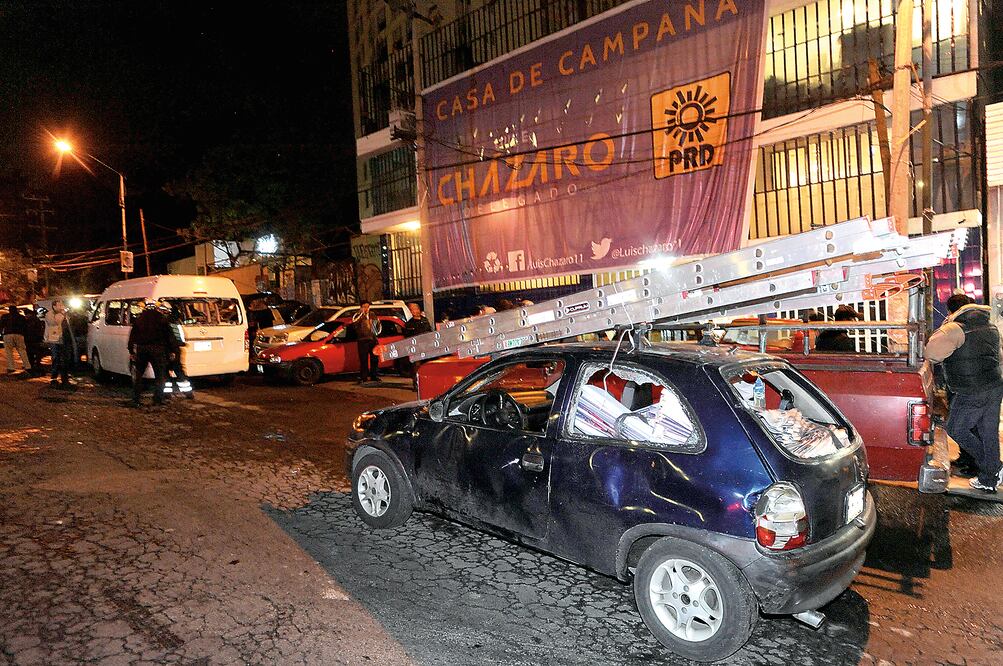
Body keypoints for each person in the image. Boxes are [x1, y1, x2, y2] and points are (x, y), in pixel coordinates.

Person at [925, 296, 1003, 492]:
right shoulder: (990, 327)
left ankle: (994, 467)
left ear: (953, 311)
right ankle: (988, 480)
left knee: (956, 428)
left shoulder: (954, 329)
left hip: (971, 390)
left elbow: (932, 353)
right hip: (994, 386)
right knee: (988, 433)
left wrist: (944, 327)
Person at [128, 299, 174, 406]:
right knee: (160, 375)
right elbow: (168, 336)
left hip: (142, 349)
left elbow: (132, 337)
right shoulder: (162, 319)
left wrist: (131, 351)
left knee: (138, 375)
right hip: (158, 350)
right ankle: (158, 399)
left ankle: (136, 399)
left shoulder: (139, 319)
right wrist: (171, 350)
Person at [158, 301, 194, 399]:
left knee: (165, 372)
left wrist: (171, 351)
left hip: (169, 350)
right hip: (177, 349)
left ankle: (167, 394)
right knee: (179, 372)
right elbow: (181, 337)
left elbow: (168, 339)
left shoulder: (163, 323)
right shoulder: (176, 322)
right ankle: (188, 393)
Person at [43, 300, 75, 388]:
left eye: (62, 304)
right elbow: (55, 322)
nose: (62, 306)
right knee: (56, 358)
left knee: (65, 359)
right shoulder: (50, 314)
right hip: (55, 340)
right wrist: (62, 313)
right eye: (59, 304)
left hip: (65, 339)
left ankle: (64, 378)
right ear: (54, 306)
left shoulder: (63, 314)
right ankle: (54, 378)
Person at [401, 302, 433, 388]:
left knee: (426, 365)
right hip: (416, 348)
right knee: (416, 366)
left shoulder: (425, 320)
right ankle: (416, 383)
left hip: (426, 347)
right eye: (413, 309)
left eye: (416, 309)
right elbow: (407, 337)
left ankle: (427, 382)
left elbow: (430, 331)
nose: (415, 311)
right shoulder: (409, 324)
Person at [351, 301, 382, 383]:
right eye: (364, 306)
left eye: (367, 306)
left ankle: (374, 375)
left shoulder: (372, 314)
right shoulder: (357, 316)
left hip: (372, 339)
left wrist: (375, 333)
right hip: (362, 340)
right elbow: (354, 326)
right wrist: (361, 315)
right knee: (363, 359)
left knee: (374, 359)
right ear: (361, 307)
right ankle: (364, 376)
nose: (366, 308)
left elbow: (376, 327)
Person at [1, 305, 32, 374]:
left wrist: (2, 333)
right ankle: (27, 366)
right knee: (22, 351)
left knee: (9, 352)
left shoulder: (5, 316)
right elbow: (25, 327)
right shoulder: (21, 317)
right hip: (19, 334)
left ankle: (11, 367)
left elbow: (1, 326)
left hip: (8, 334)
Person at [25, 306, 46, 375]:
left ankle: (32, 366)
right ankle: (36, 364)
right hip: (36, 339)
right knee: (37, 353)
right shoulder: (37, 320)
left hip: (31, 340)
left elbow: (29, 330)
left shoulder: (29, 321)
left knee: (30, 353)